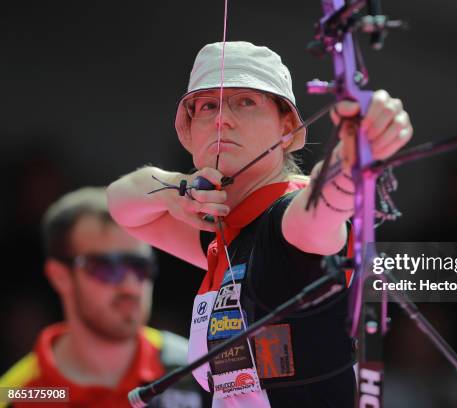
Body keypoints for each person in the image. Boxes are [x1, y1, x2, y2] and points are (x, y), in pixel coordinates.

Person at [107, 41, 413, 407]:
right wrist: (176, 189)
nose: (222, 118)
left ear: (287, 127)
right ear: (189, 131)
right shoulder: (225, 235)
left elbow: (321, 209)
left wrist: (349, 162)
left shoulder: (286, 223)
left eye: (245, 101)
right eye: (207, 106)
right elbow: (121, 205)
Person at [0, 187, 210, 408]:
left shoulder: (197, 371)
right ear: (60, 276)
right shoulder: (20, 395)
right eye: (107, 268)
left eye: (141, 267)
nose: (131, 287)